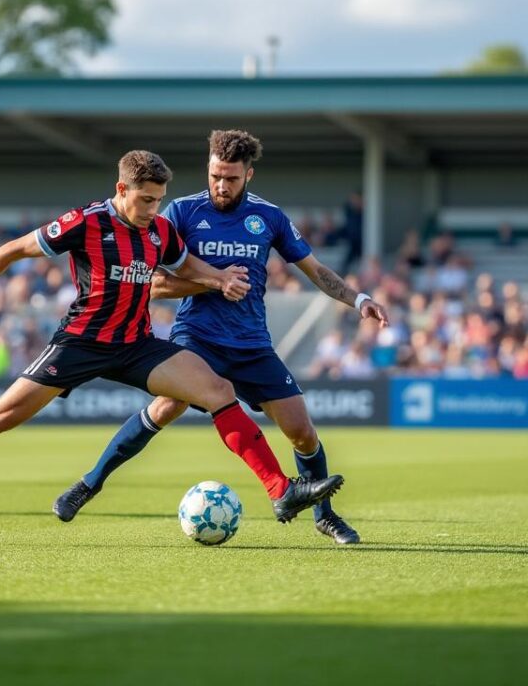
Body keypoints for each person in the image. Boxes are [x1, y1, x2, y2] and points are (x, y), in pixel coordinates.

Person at [0, 150, 344, 525]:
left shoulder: (158, 231)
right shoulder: (84, 223)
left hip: (135, 345)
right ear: (121, 190)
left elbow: (185, 263)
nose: (152, 209)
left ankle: (280, 489)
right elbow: (14, 250)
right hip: (79, 344)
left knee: (218, 391)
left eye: (158, 201)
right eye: (145, 200)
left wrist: (217, 278)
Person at [51, 131, 386, 544]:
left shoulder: (269, 217)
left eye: (230, 178)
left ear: (249, 174)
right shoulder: (180, 212)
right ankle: (89, 484)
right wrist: (213, 284)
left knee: (302, 430)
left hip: (252, 344)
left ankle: (325, 515)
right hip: (197, 336)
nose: (221, 186)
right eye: (214, 176)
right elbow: (153, 283)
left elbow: (316, 270)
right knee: (167, 405)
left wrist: (359, 299)